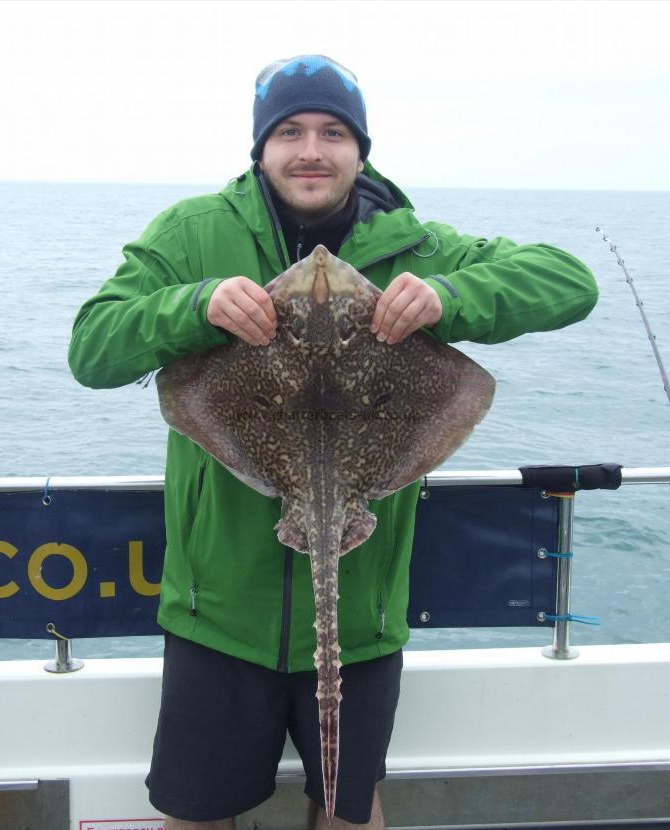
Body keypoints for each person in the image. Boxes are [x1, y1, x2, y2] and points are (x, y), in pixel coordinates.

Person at [68, 55, 598, 830]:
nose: (310, 149)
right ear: (261, 148)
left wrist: (450, 296)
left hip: (364, 618)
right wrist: (196, 304)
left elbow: (569, 280)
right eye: (289, 131)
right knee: (196, 812)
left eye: (331, 132)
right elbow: (92, 348)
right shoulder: (193, 235)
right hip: (217, 614)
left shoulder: (415, 245)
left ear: (360, 149)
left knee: (351, 811)